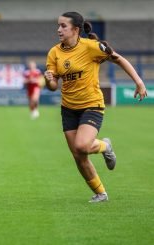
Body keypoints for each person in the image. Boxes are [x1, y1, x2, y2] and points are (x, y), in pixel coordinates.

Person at [44, 12, 147, 203]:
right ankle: (101, 193)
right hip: (68, 108)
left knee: (82, 145)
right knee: (78, 155)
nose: (58, 29)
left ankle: (105, 146)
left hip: (92, 105)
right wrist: (49, 80)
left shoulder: (92, 47)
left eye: (63, 26)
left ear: (76, 29)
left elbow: (119, 59)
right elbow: (52, 87)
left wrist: (139, 82)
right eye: (58, 25)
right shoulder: (54, 53)